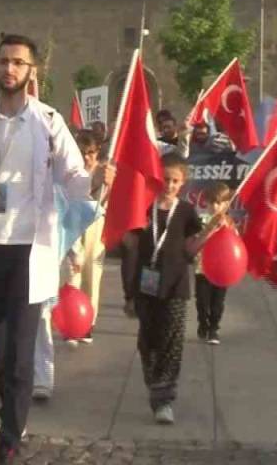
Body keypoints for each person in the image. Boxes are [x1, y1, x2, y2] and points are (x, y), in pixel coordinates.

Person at [0, 33, 95, 465]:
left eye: (18, 62)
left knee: (21, 350)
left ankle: (9, 438)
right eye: (3, 60)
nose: (9, 69)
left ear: (32, 71)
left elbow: (74, 177)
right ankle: (11, 423)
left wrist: (96, 181)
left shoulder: (48, 121)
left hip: (27, 248)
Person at [119, 153, 207, 425]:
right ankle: (155, 383)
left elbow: (191, 249)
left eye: (175, 181)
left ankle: (164, 401)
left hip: (175, 286)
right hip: (146, 287)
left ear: (183, 183)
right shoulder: (144, 207)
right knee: (148, 343)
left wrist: (210, 233)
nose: (169, 185)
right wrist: (129, 294)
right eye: (166, 179)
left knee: (172, 343)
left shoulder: (186, 212)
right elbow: (130, 249)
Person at [63, 130, 108, 347]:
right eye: (82, 152)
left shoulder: (104, 171)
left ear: (97, 152)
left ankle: (87, 323)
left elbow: (105, 199)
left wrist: (106, 181)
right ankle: (71, 322)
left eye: (91, 152)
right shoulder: (72, 172)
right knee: (72, 274)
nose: (87, 157)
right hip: (72, 222)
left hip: (95, 224)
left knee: (92, 275)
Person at [193, 181, 233, 345]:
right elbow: (197, 240)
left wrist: (226, 228)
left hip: (222, 270)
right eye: (212, 202)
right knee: (202, 301)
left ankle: (214, 328)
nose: (216, 206)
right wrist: (212, 228)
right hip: (202, 268)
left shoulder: (229, 222)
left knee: (217, 302)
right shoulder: (201, 219)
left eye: (219, 203)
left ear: (226, 204)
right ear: (206, 203)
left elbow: (234, 242)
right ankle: (203, 323)